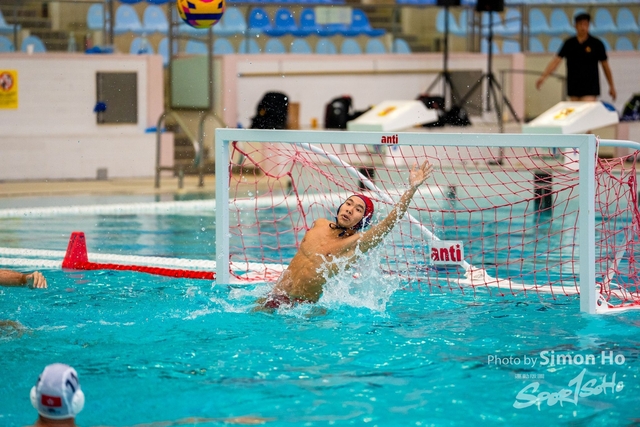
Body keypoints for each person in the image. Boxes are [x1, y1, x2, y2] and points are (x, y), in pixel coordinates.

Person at [261, 160, 433, 309]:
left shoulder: (355, 243)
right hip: (275, 296)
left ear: (363, 220)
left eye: (358, 209)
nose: (350, 210)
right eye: (348, 204)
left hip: (302, 309)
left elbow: (389, 223)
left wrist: (411, 189)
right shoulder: (319, 224)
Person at [536, 12, 616, 102]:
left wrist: (611, 86)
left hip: (590, 87)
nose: (583, 27)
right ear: (575, 26)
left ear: (589, 26)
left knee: (587, 107)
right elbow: (556, 61)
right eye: (580, 24)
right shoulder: (569, 43)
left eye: (585, 24)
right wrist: (544, 76)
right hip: (573, 86)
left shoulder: (596, 44)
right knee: (575, 108)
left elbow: (605, 66)